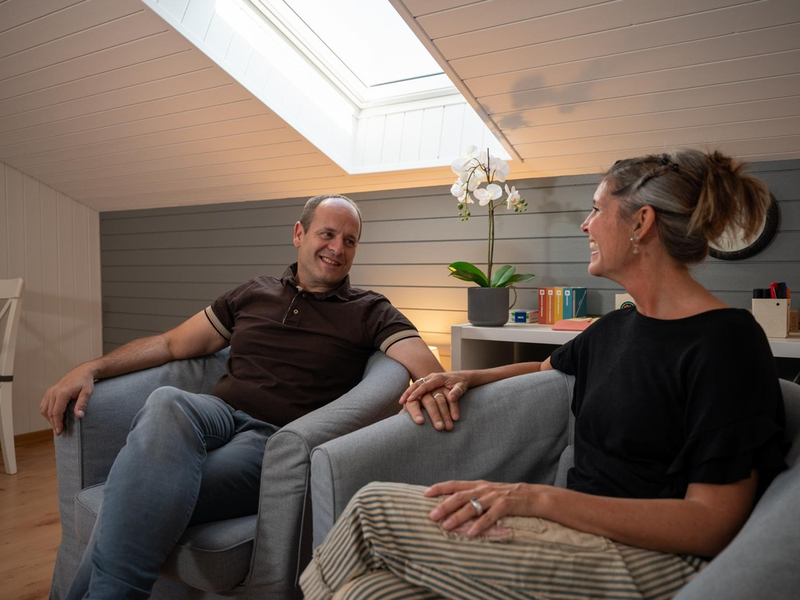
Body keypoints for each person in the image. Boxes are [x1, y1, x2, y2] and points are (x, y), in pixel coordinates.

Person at [299, 150, 788, 600]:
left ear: (641, 222)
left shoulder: (726, 342)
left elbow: (709, 524)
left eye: (596, 209)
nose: (585, 224)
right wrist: (466, 376)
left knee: (373, 508)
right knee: (367, 594)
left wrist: (534, 498)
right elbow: (542, 366)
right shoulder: (617, 327)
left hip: (650, 563)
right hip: (574, 539)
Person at [40, 194, 452, 600]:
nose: (337, 248)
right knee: (167, 399)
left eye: (350, 240)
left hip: (272, 441)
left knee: (134, 490)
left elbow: (425, 365)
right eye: (327, 234)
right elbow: (171, 344)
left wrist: (439, 386)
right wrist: (91, 367)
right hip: (216, 413)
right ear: (299, 233)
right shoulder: (255, 292)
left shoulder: (369, 310)